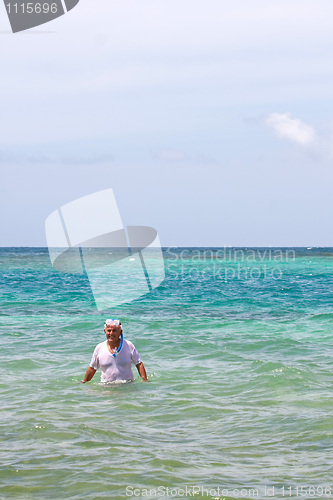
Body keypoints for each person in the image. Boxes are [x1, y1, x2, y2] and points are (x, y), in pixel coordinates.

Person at [81, 319, 148, 383]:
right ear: (105, 331)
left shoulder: (128, 345)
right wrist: (84, 382)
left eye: (114, 331)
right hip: (106, 386)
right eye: (109, 331)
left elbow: (139, 364)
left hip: (127, 385)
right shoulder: (99, 348)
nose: (111, 333)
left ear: (120, 332)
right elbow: (92, 368)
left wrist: (145, 380)